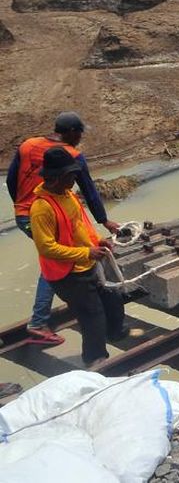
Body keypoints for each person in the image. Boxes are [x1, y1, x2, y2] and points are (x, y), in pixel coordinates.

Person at [7, 112, 119, 346]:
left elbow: (10, 179)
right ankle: (39, 321)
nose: (80, 138)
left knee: (53, 259)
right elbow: (88, 189)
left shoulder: (29, 145)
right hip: (46, 210)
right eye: (80, 133)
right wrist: (103, 219)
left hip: (23, 213)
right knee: (53, 262)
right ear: (72, 132)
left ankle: (71, 301)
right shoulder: (73, 155)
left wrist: (21, 205)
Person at [29, 146, 127, 368]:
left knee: (113, 301)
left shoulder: (68, 195)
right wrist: (85, 252)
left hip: (86, 264)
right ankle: (95, 360)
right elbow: (46, 248)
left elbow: (80, 226)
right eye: (70, 175)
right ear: (55, 179)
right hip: (67, 275)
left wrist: (97, 242)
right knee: (92, 316)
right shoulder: (41, 209)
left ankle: (115, 335)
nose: (74, 179)